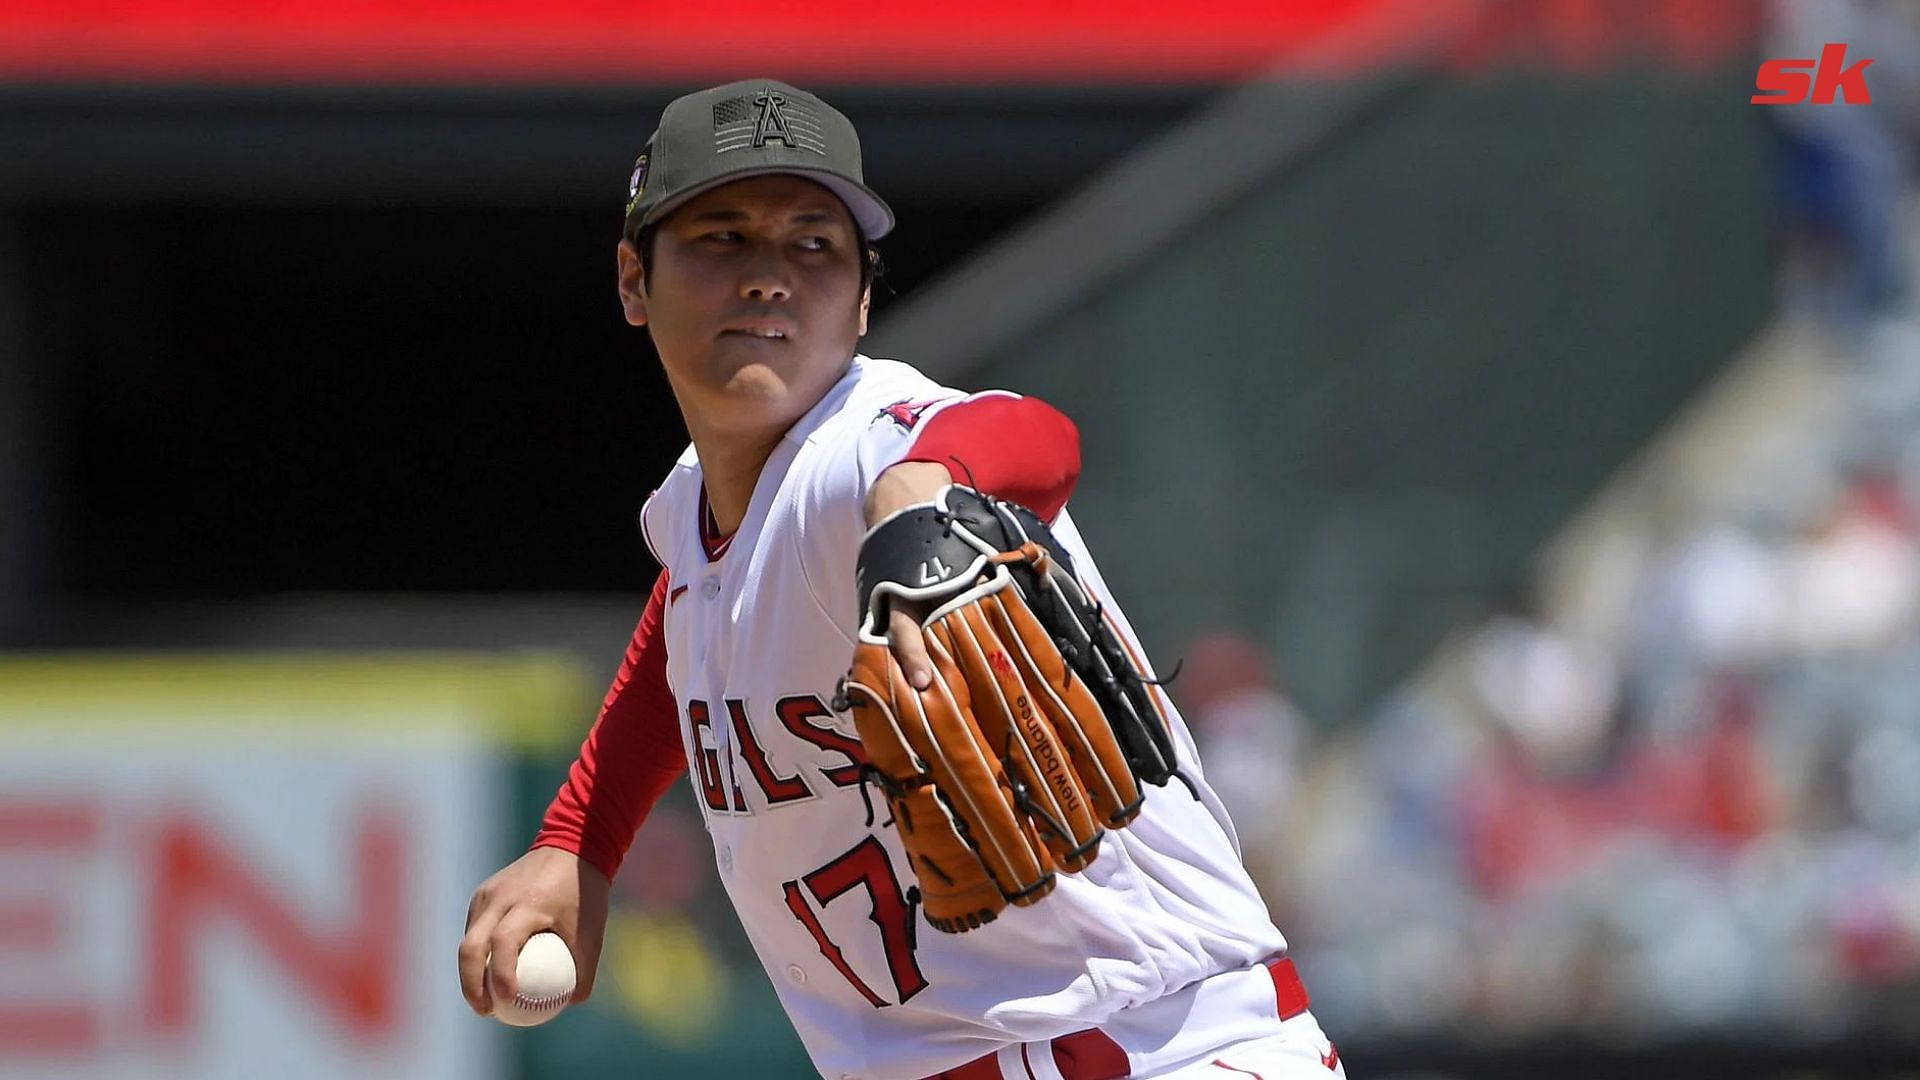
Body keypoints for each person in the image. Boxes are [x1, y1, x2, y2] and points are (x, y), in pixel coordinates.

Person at [457, 79, 1343, 1080]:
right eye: (721, 237)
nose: (770, 277)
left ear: (866, 293)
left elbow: (1030, 437)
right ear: (632, 278)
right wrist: (579, 841)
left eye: (812, 243)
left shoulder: (861, 448)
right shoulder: (698, 507)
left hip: (1164, 1051)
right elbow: (694, 619)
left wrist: (927, 488)